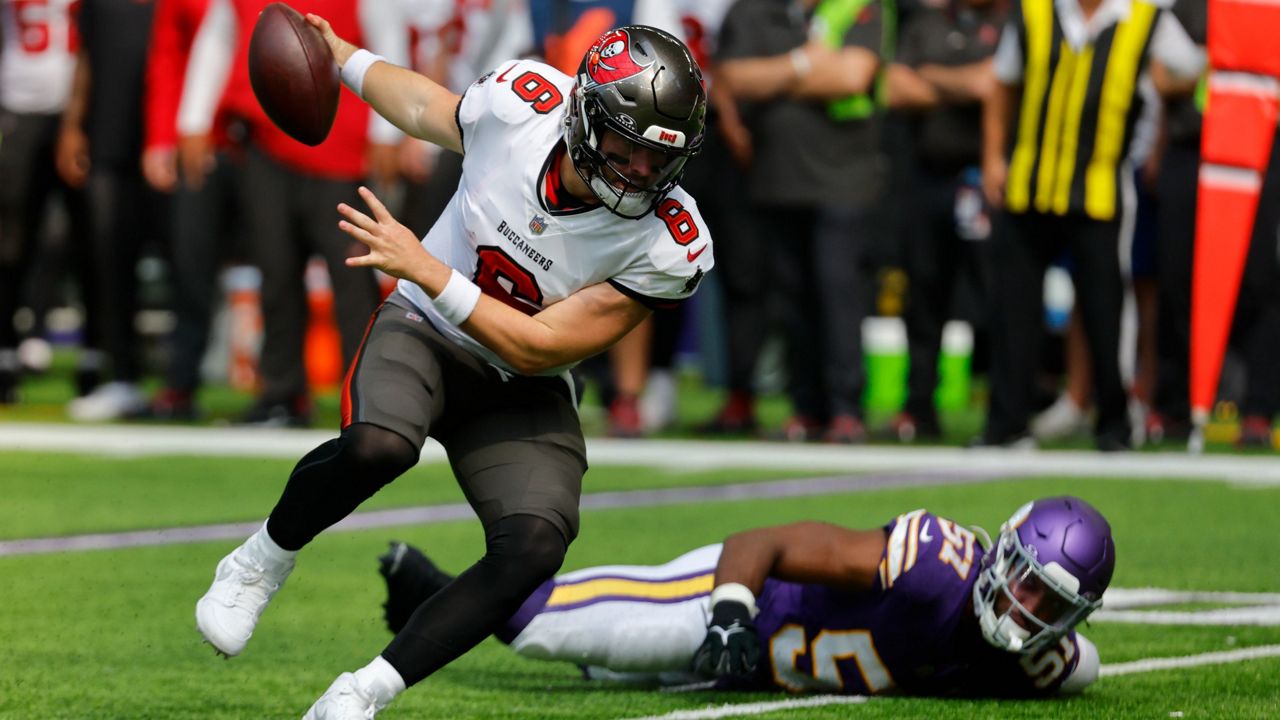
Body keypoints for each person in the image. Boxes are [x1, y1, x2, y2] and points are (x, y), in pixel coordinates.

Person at [194, 21, 712, 719]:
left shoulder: (673, 241)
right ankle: (260, 560)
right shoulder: (519, 105)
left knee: (535, 543)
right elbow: (422, 108)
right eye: (631, 148)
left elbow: (540, 346)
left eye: (660, 158)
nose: (645, 173)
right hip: (425, 332)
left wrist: (431, 269)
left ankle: (363, 693)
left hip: (520, 377)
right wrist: (344, 58)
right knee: (380, 445)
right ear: (587, 116)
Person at [378, 495, 1114, 697]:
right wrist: (731, 608)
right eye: (1023, 583)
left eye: (1048, 606)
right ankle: (431, 591)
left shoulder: (1044, 663)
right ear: (1001, 551)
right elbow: (763, 542)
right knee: (543, 627)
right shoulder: (930, 566)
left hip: (760, 666)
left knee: (607, 676)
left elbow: (1081, 663)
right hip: (745, 602)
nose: (1024, 611)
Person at [977, 0, 1204, 450]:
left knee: (1106, 312)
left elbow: (1195, 66)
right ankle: (1006, 425)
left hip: (1100, 188)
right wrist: (992, 158)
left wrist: (1164, 85)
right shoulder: (1035, 12)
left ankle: (1115, 425)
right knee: (1014, 310)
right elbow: (1003, 84)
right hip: (1029, 183)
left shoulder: (1145, 17)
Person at [714, 0, 892, 444]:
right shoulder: (752, 11)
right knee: (789, 300)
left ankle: (846, 408)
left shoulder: (857, 8)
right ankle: (805, 407)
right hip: (776, 178)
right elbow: (732, 79)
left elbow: (852, 77)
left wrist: (771, 79)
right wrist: (802, 64)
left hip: (844, 180)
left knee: (838, 291)